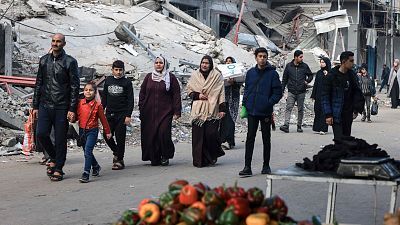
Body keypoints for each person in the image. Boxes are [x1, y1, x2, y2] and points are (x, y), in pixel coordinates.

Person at [32, 33, 80, 181]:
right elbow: (38, 83)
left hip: (62, 106)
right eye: (53, 41)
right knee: (41, 134)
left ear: (64, 44)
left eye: (58, 41)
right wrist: (35, 105)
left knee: (60, 139)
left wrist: (72, 108)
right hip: (45, 104)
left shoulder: (70, 62)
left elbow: (74, 86)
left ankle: (58, 168)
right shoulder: (44, 60)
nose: (55, 44)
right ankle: (53, 157)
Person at [239, 47, 283, 176]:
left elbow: (278, 92)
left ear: (267, 58)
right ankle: (247, 166)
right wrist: (245, 103)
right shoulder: (251, 73)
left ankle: (266, 165)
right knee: (250, 138)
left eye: (264, 56)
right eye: (260, 56)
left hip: (265, 112)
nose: (262, 59)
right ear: (256, 58)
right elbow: (247, 89)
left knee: (266, 139)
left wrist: (268, 103)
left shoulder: (273, 74)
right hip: (252, 111)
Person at [139, 56, 182, 166]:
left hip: (165, 112)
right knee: (151, 134)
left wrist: (177, 111)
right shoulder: (149, 77)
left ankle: (165, 155)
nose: (158, 64)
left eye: (161, 63)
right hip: (149, 112)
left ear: (165, 64)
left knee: (163, 133)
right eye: (156, 62)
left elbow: (176, 94)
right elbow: (142, 93)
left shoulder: (170, 78)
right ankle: (154, 157)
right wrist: (141, 107)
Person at [187, 55, 226, 168]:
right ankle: (199, 160)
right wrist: (197, 95)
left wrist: (222, 108)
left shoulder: (217, 76)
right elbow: (189, 90)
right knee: (198, 136)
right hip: (198, 110)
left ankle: (212, 155)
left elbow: (221, 93)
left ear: (211, 64)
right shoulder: (195, 75)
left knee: (211, 134)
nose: (204, 65)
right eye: (203, 63)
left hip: (212, 109)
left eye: (207, 63)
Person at [321, 51, 364, 140]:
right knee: (339, 140)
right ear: (344, 62)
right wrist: (328, 114)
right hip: (336, 113)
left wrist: (356, 109)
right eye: (351, 61)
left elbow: (357, 92)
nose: (353, 63)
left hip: (348, 114)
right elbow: (325, 96)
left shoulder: (352, 76)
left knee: (346, 140)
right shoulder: (332, 76)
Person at [76, 82, 112, 183]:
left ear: (95, 92)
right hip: (82, 130)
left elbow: (103, 119)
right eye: (86, 90)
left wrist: (108, 131)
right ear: (83, 91)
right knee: (87, 152)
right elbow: (77, 116)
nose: (88, 92)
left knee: (87, 151)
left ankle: (86, 173)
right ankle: (96, 166)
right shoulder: (80, 103)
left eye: (90, 90)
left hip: (92, 131)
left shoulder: (97, 106)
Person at [102, 60, 134, 170]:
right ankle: (116, 151)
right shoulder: (108, 81)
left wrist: (128, 115)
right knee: (106, 135)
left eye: (120, 70)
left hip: (122, 114)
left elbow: (130, 100)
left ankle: (119, 160)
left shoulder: (127, 82)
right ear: (112, 70)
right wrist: (101, 112)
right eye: (116, 70)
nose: (118, 72)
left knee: (120, 137)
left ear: (123, 70)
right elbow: (104, 98)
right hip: (109, 113)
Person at [280, 50, 313, 133]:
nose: (302, 58)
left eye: (302, 57)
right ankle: (286, 125)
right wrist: (282, 90)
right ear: (295, 57)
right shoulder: (288, 66)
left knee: (300, 109)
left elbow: (310, 75)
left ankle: (299, 126)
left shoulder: (304, 66)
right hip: (291, 91)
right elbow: (284, 79)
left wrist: (307, 81)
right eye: (300, 57)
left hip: (301, 91)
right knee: (288, 108)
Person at [220, 56, 242, 150]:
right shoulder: (222, 73)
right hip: (224, 99)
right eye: (227, 61)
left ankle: (229, 141)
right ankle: (223, 140)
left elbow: (240, 83)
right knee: (223, 120)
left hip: (233, 100)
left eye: (230, 61)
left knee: (231, 119)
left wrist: (233, 83)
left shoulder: (237, 73)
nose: (228, 63)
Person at [311, 57, 331, 135]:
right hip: (318, 95)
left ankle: (323, 129)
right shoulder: (319, 72)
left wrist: (327, 75)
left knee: (324, 112)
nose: (321, 64)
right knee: (317, 110)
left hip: (326, 96)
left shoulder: (330, 73)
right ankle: (317, 128)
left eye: (323, 62)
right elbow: (315, 84)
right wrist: (313, 95)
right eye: (321, 62)